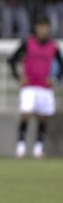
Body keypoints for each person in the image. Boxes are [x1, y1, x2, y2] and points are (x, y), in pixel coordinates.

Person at [8, 15, 63, 158]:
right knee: (26, 114)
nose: (43, 30)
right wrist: (18, 76)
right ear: (36, 28)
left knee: (43, 117)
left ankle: (38, 148)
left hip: (45, 87)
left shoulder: (53, 46)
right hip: (29, 86)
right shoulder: (28, 43)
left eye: (45, 27)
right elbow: (12, 59)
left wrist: (55, 78)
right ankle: (20, 147)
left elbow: (61, 65)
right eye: (40, 27)